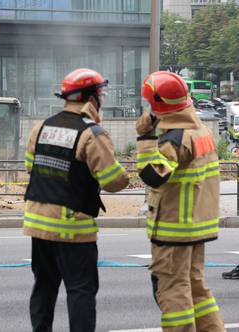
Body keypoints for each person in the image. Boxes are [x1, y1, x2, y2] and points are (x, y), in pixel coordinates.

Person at [24, 68, 129, 332]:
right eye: (100, 94)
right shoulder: (92, 133)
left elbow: (30, 166)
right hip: (73, 228)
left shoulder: (41, 127)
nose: (101, 99)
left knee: (44, 288)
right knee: (81, 291)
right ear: (91, 98)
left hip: (38, 222)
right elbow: (113, 181)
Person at [137, 71, 224, 331]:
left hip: (175, 230)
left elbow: (152, 175)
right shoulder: (200, 129)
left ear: (158, 105)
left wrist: (145, 137)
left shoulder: (175, 138)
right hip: (196, 227)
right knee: (196, 288)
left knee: (173, 291)